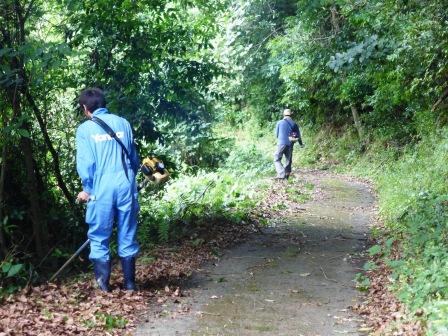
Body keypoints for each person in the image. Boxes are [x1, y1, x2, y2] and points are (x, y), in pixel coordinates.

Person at [76, 88, 140, 291]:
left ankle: (104, 287)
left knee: (99, 235)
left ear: (85, 108)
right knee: (127, 232)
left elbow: (86, 164)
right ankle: (130, 285)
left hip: (101, 188)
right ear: (104, 103)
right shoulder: (123, 123)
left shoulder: (85, 129)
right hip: (125, 184)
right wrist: (130, 179)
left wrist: (87, 189)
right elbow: (133, 156)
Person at [274, 108, 303, 179]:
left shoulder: (279, 122)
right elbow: (297, 136)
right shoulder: (294, 124)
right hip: (290, 144)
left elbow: (276, 135)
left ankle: (281, 173)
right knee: (288, 159)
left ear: (283, 114)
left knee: (277, 159)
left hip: (281, 144)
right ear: (291, 115)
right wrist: (301, 144)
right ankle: (287, 175)